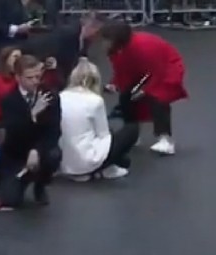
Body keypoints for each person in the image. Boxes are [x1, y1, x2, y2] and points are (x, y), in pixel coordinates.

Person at [100, 21, 187, 155]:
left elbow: (157, 71)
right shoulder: (117, 50)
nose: (103, 43)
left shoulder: (143, 47)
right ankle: (132, 134)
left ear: (116, 39)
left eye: (106, 40)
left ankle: (166, 140)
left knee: (158, 97)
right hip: (146, 71)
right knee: (126, 97)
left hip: (167, 68)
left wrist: (144, 90)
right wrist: (115, 84)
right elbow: (122, 69)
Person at [0, 55, 61, 210]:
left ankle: (40, 184)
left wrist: (36, 150)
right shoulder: (9, 100)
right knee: (9, 200)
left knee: (54, 154)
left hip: (40, 151)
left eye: (37, 76)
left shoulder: (50, 96)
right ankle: (21, 181)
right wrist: (32, 114)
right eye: (30, 78)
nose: (35, 81)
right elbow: (14, 135)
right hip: (16, 153)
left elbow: (54, 131)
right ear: (18, 77)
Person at [58, 62, 135, 181]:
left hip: (64, 161)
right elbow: (103, 134)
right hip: (87, 160)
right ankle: (106, 168)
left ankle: (101, 168)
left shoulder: (60, 96)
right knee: (132, 129)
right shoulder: (95, 100)